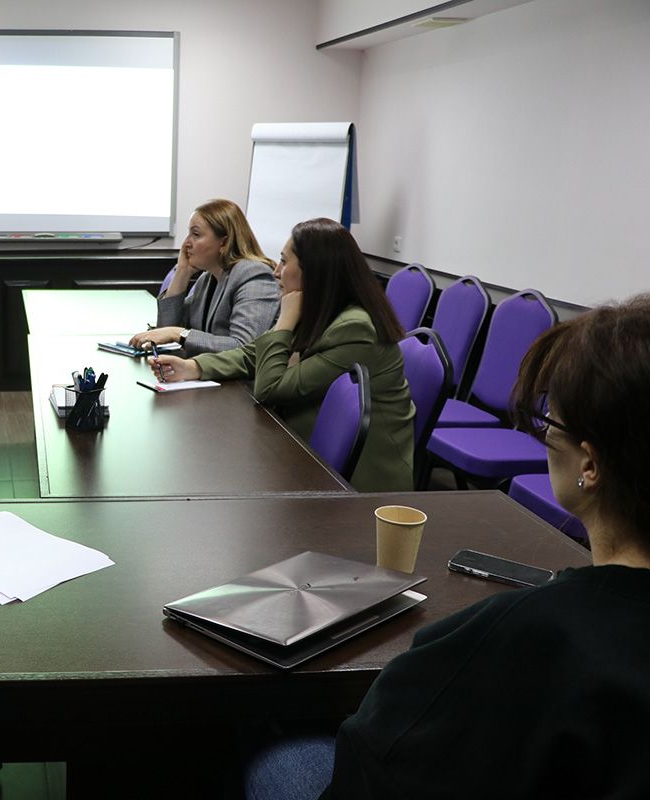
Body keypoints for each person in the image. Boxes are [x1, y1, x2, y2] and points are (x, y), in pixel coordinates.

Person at [245, 294, 650, 799]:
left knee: (279, 754)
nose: (544, 434)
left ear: (589, 464)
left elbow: (370, 767)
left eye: (550, 420)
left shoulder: (522, 637)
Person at [152, 217, 413, 492]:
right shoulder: (317, 307)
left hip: (364, 480)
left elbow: (270, 389)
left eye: (285, 262)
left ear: (314, 272)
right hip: (306, 441)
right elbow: (251, 354)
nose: (276, 271)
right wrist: (193, 367)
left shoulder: (354, 328)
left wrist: (285, 323)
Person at [130, 199, 280, 356]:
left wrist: (178, 333)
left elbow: (243, 347)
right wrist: (182, 272)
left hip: (240, 373)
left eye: (196, 234)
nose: (186, 243)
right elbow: (166, 329)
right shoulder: (207, 278)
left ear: (224, 242)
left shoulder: (254, 275)